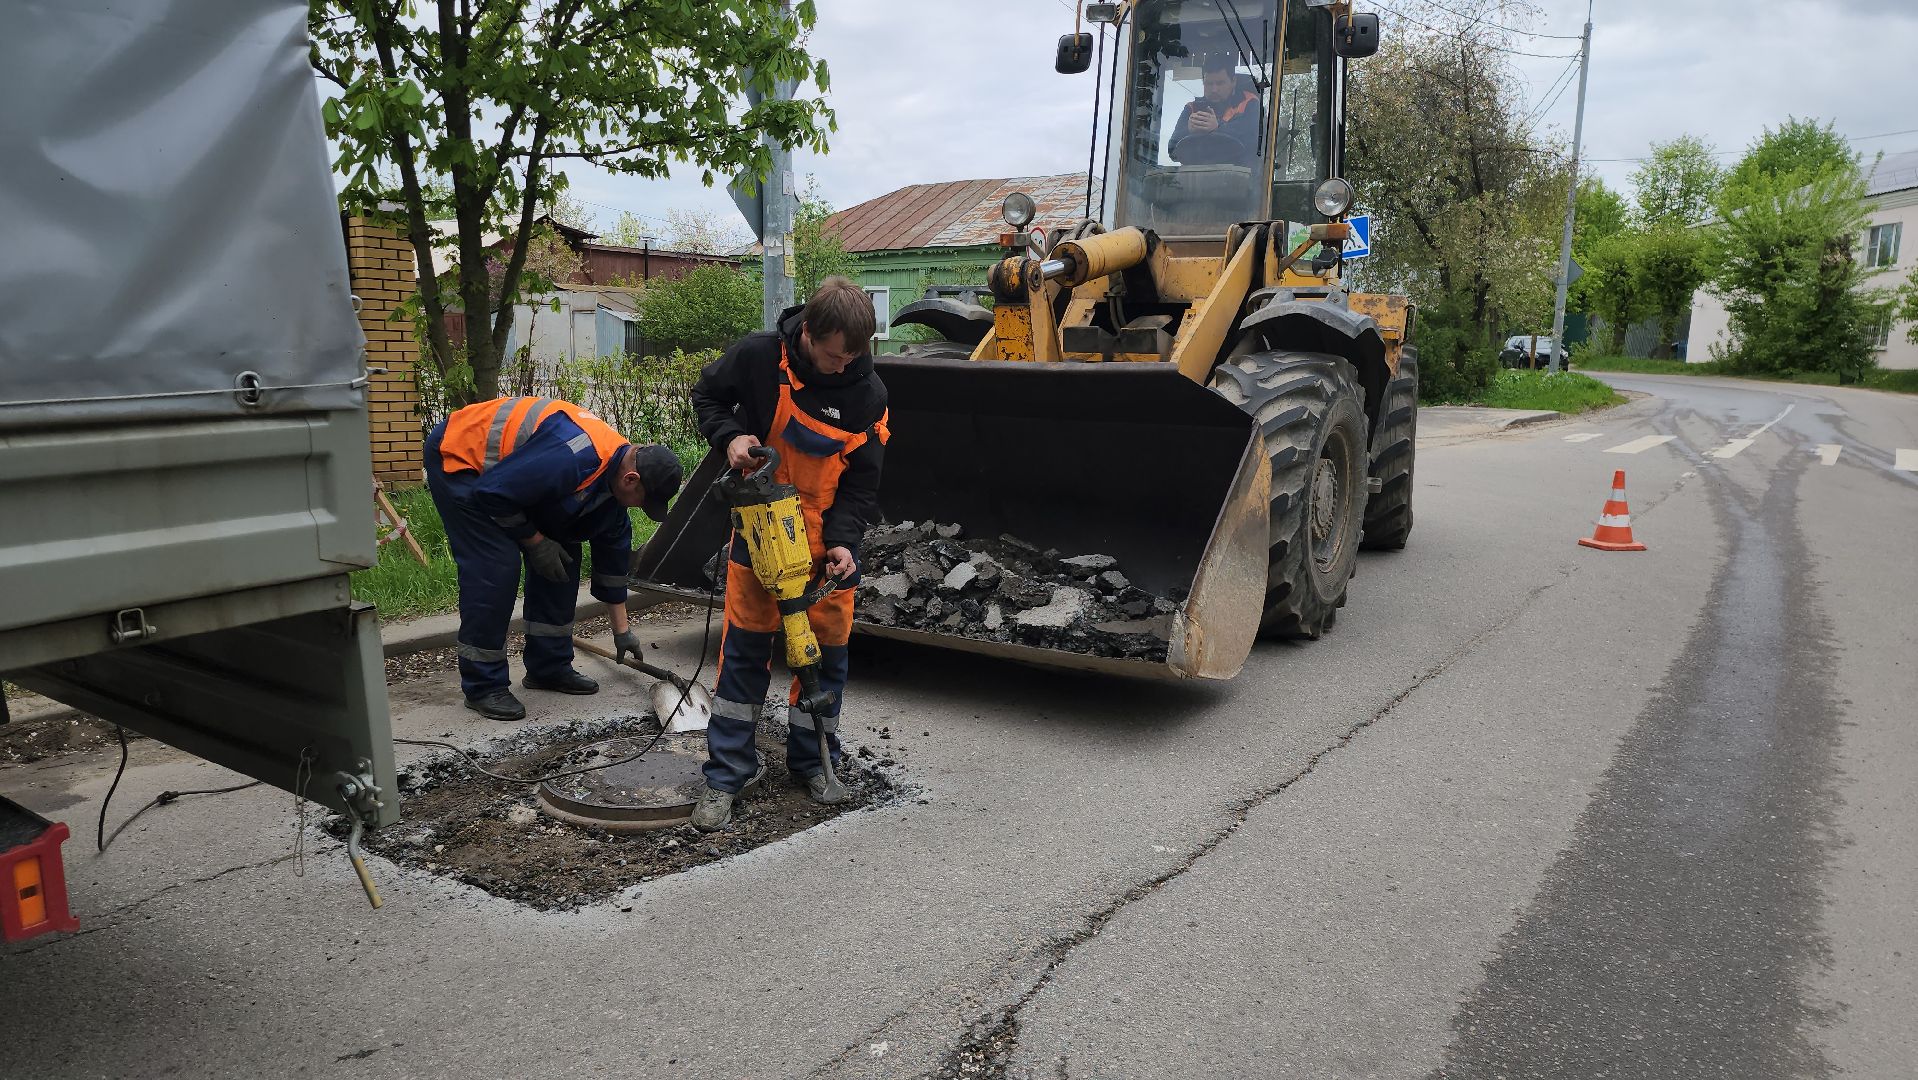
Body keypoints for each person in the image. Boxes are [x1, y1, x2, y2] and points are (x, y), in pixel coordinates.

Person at [687, 276, 890, 831]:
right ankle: (727, 776)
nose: (843, 366)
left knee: (825, 662)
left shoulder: (868, 394)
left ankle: (815, 763)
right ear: (808, 336)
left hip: (826, 545)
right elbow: (707, 396)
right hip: (761, 529)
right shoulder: (759, 357)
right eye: (834, 355)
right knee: (744, 658)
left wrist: (844, 541)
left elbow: (861, 485)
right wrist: (729, 436)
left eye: (853, 357)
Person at [424, 396, 682, 721]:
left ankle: (548, 667)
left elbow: (612, 565)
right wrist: (535, 541)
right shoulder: (573, 456)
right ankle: (483, 685)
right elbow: (492, 493)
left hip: (513, 478)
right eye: (642, 501)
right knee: (496, 566)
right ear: (631, 479)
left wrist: (622, 631)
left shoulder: (611, 487)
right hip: (463, 460)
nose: (638, 507)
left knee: (563, 556)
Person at [1167, 54, 1262, 164]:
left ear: (1233, 81)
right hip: (1195, 173)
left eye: (1220, 83)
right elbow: (1172, 152)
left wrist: (1217, 128)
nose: (1214, 89)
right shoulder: (1191, 109)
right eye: (1209, 83)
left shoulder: (1250, 103)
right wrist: (1188, 131)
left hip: (1237, 173)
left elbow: (1252, 144)